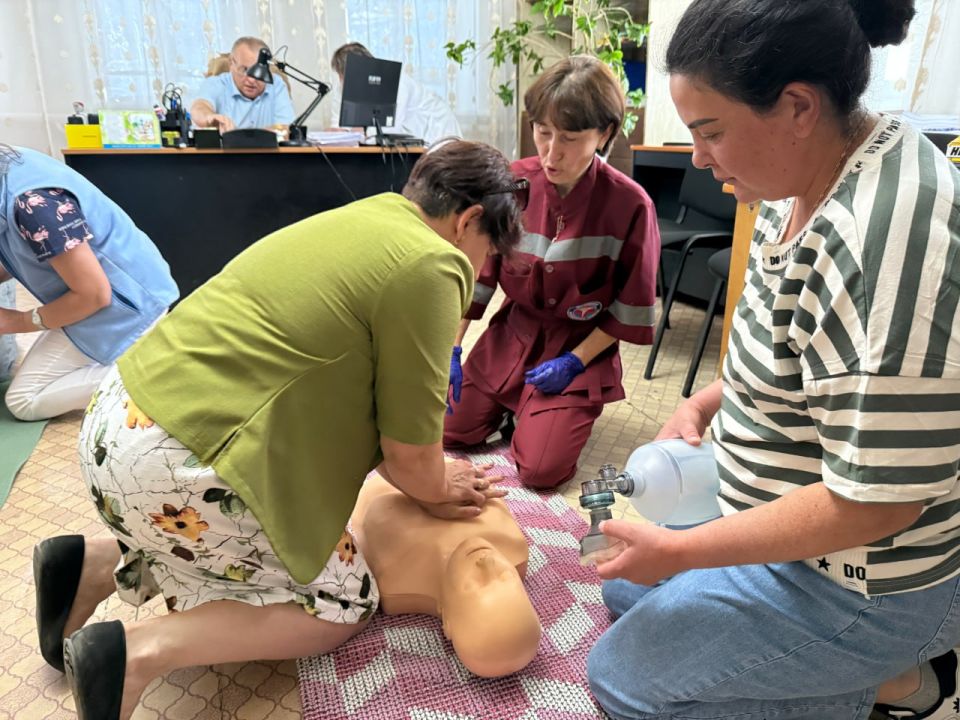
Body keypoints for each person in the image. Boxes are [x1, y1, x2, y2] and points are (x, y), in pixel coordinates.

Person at [32, 139, 525, 720]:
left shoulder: (368, 214)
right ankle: (135, 654)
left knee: (246, 541)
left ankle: (89, 565)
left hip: (117, 417)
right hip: (173, 460)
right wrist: (441, 486)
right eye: (488, 248)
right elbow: (410, 460)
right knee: (342, 601)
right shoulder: (434, 263)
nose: (482, 266)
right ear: (469, 221)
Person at [584, 1, 960, 719]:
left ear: (797, 107)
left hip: (866, 578)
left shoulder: (883, 245)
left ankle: (895, 678)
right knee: (625, 587)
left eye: (711, 133)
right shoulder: (790, 181)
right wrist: (708, 400)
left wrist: (687, 554)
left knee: (623, 677)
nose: (697, 159)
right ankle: (880, 679)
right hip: (782, 512)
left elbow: (877, 503)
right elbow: (797, 347)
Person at [443, 56, 660, 490]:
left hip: (579, 346)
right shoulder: (512, 185)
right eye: (543, 132)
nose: (550, 152)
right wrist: (452, 346)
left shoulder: (631, 205)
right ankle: (515, 406)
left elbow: (631, 308)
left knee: (543, 470)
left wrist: (574, 362)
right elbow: (479, 275)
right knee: (451, 431)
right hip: (514, 331)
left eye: (571, 138)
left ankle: (540, 411)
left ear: (605, 134)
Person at [0, 145, 178, 421]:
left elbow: (94, 295)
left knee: (24, 400)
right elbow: (26, 249)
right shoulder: (12, 163)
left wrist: (17, 322)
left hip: (126, 305)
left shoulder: (34, 205)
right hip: (113, 292)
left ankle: (167, 376)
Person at [350, 470, 542, 677]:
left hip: (391, 476)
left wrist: (425, 489)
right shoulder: (513, 544)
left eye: (474, 585)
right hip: (442, 471)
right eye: (506, 577)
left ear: (447, 622)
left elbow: (376, 504)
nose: (486, 562)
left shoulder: (394, 571)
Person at [330, 42, 462, 144]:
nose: (342, 81)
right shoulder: (342, 87)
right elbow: (338, 123)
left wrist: (360, 132)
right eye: (340, 75)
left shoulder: (397, 82)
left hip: (436, 128)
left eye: (344, 74)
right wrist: (340, 132)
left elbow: (391, 128)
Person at [190, 37, 295, 133]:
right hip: (228, 153)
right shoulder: (216, 83)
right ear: (231, 64)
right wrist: (209, 117)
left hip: (267, 153)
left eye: (259, 72)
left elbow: (285, 129)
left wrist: (243, 136)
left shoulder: (276, 85)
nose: (251, 80)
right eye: (245, 70)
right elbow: (199, 107)